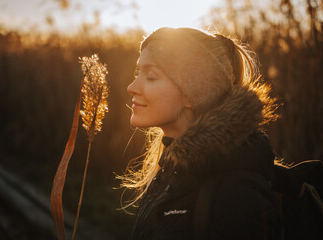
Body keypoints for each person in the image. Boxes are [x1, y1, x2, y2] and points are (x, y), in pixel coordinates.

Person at [119, 27, 282, 240]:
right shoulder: (171, 169)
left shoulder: (237, 189)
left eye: (150, 76)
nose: (132, 87)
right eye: (137, 72)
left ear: (193, 93)